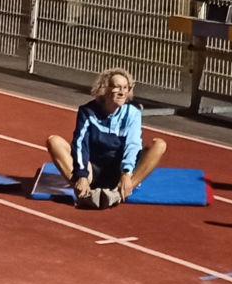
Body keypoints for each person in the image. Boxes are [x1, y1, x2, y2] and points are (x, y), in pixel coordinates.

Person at [44, 67, 167, 209]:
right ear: (104, 89)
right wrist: (82, 175)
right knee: (53, 141)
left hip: (119, 172)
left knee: (159, 144)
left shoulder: (133, 113)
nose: (122, 92)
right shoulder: (87, 112)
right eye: (117, 87)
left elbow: (133, 144)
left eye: (126, 88)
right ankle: (84, 192)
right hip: (93, 169)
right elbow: (80, 144)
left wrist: (126, 173)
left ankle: (119, 193)